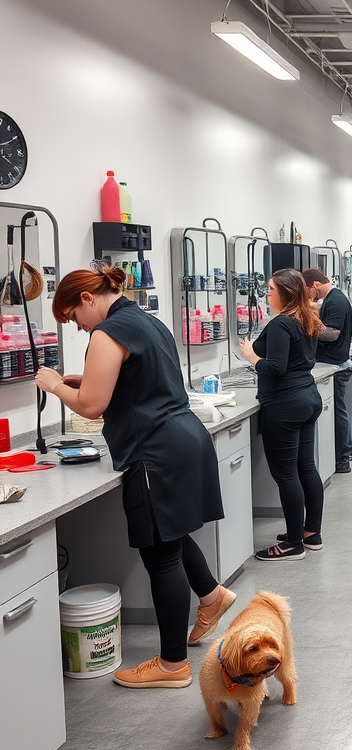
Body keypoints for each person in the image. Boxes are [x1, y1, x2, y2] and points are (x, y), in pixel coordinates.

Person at [35, 264, 235, 689]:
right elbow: (138, 379)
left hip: (156, 451)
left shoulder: (106, 334)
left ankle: (172, 665)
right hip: (184, 438)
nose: (76, 326)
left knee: (159, 555)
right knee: (172, 534)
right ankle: (212, 596)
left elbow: (90, 406)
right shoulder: (144, 319)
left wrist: (55, 385)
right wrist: (84, 379)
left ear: (87, 299)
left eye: (73, 317)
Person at [239, 268, 324, 561]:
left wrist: (252, 357)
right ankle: (310, 533)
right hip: (307, 398)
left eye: (271, 289)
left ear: (285, 292)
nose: (267, 293)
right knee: (306, 468)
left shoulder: (280, 325)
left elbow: (276, 367)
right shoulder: (307, 318)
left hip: (286, 404)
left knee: (286, 475)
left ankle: (293, 545)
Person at [303, 268, 352, 474]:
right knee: (340, 410)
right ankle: (348, 449)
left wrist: (305, 325)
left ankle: (342, 457)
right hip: (335, 362)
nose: (309, 295)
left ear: (315, 284)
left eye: (308, 290)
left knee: (338, 412)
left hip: (335, 364)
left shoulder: (335, 300)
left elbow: (332, 334)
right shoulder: (332, 299)